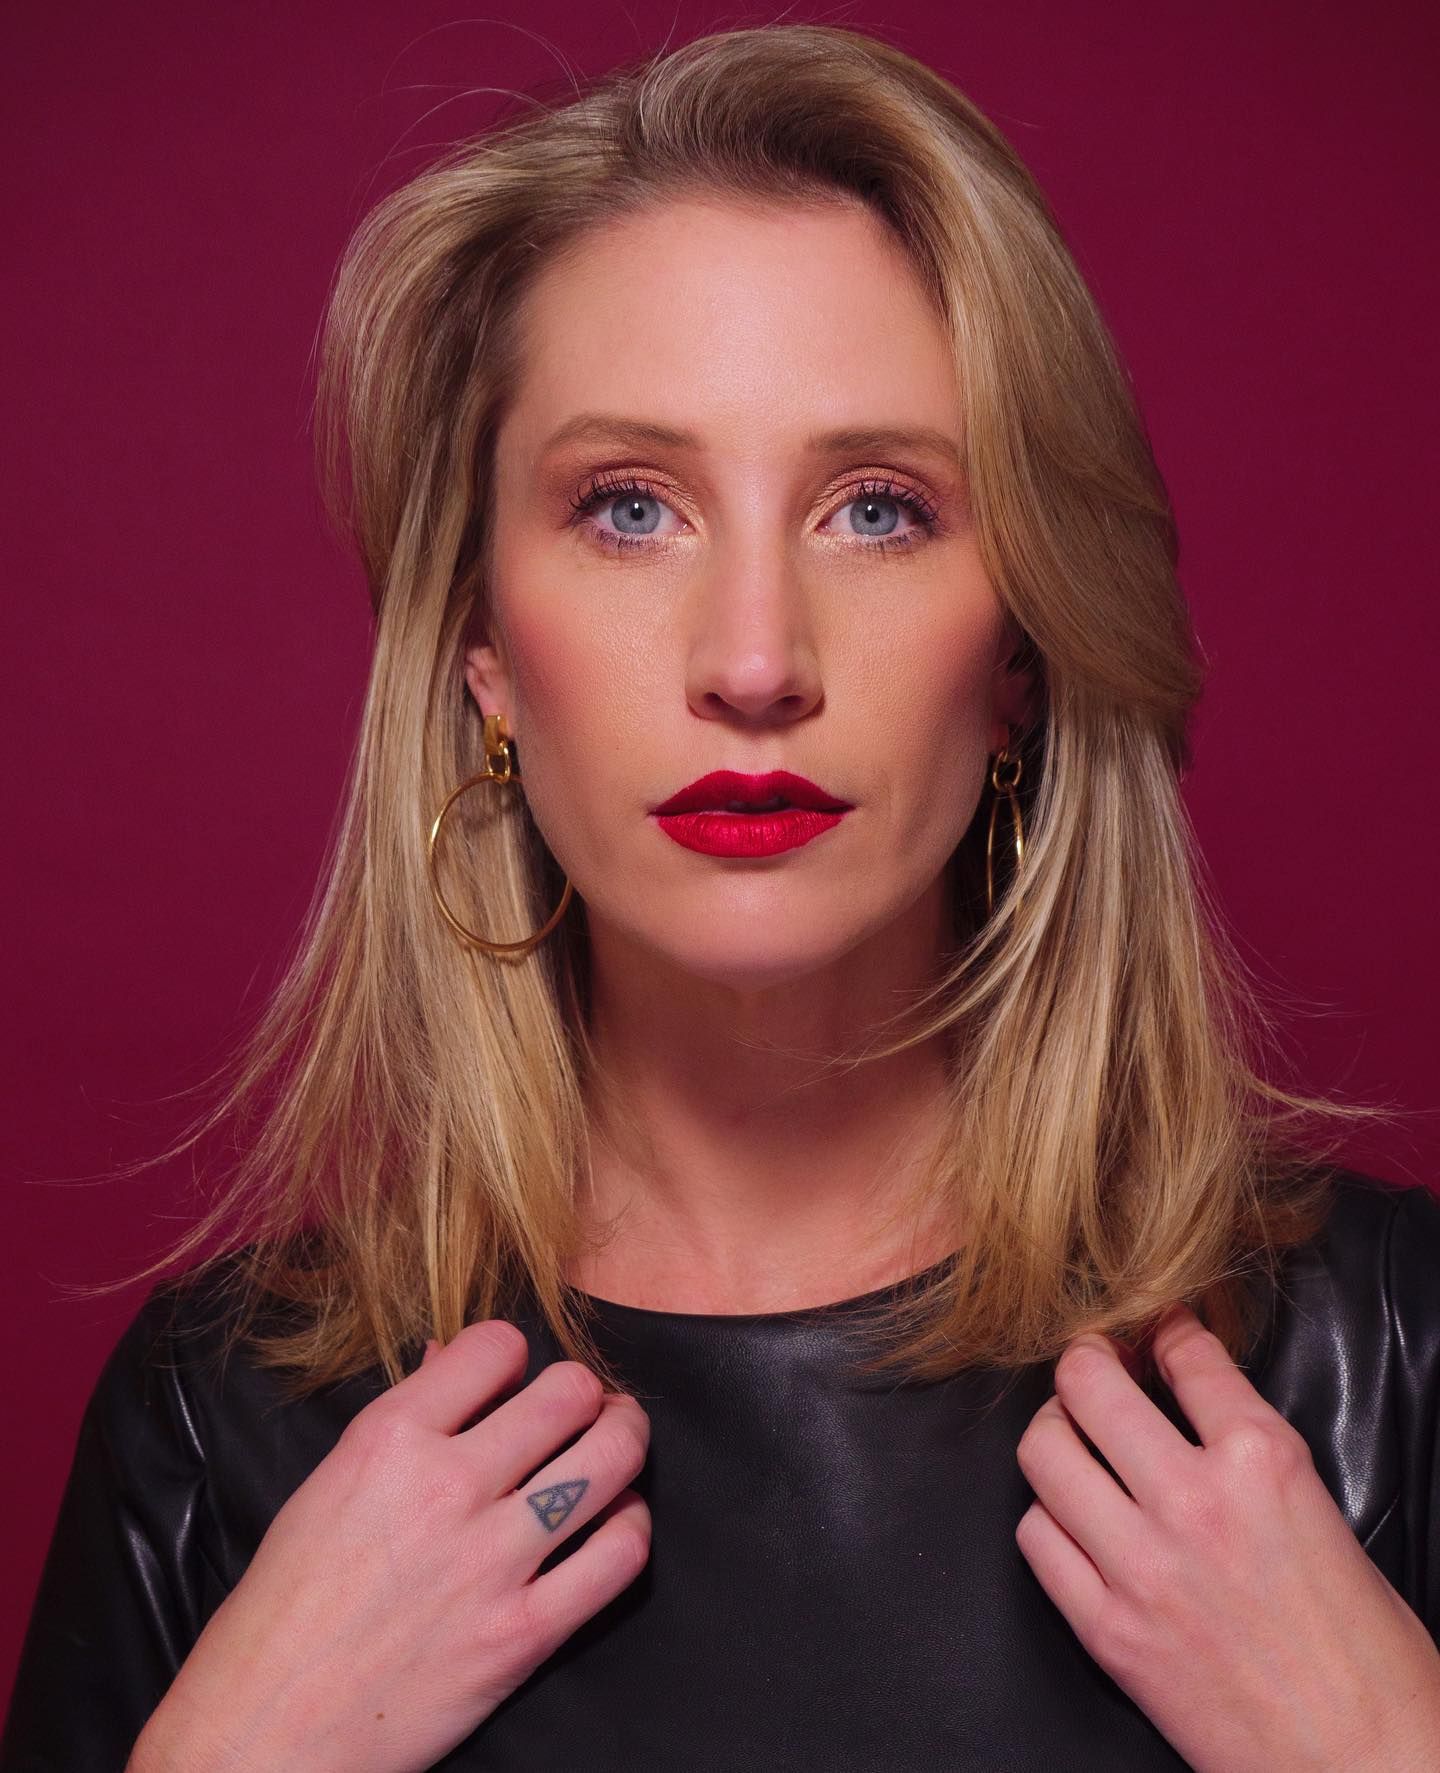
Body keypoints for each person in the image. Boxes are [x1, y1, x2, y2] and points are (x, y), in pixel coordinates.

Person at [4, 20, 1438, 1772]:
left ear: (1023, 655)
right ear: (482, 651)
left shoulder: (1384, 1363)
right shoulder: (219, 1424)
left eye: (878, 509)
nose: (754, 660)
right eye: (630, 508)